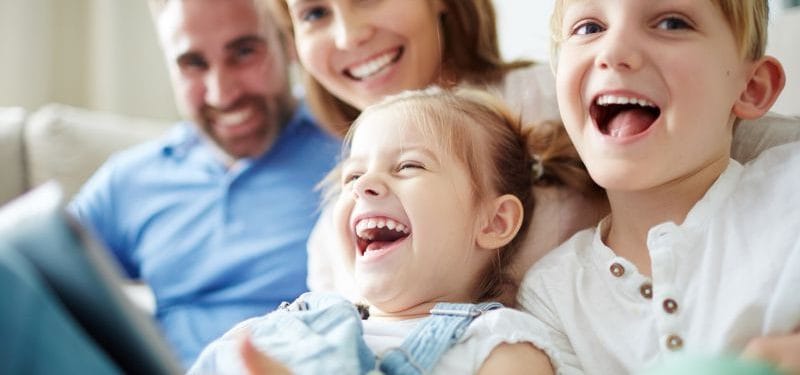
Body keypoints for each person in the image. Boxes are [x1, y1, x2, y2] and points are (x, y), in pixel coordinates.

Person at [268, 0, 800, 303]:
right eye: (313, 12)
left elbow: (732, 135)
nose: (349, 33)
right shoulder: (338, 234)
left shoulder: (559, 89)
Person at [189, 87, 596, 374]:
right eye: (353, 175)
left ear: (494, 222)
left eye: (408, 166)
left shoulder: (502, 345)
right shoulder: (295, 322)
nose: (364, 185)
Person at [518, 0, 800, 374]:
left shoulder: (790, 192)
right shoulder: (551, 295)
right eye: (589, 28)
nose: (614, 52)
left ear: (751, 88)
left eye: (670, 23)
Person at [68, 0, 340, 367]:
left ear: (288, 44)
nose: (222, 93)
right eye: (192, 64)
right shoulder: (131, 180)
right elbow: (33, 275)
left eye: (244, 52)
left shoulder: (356, 146)